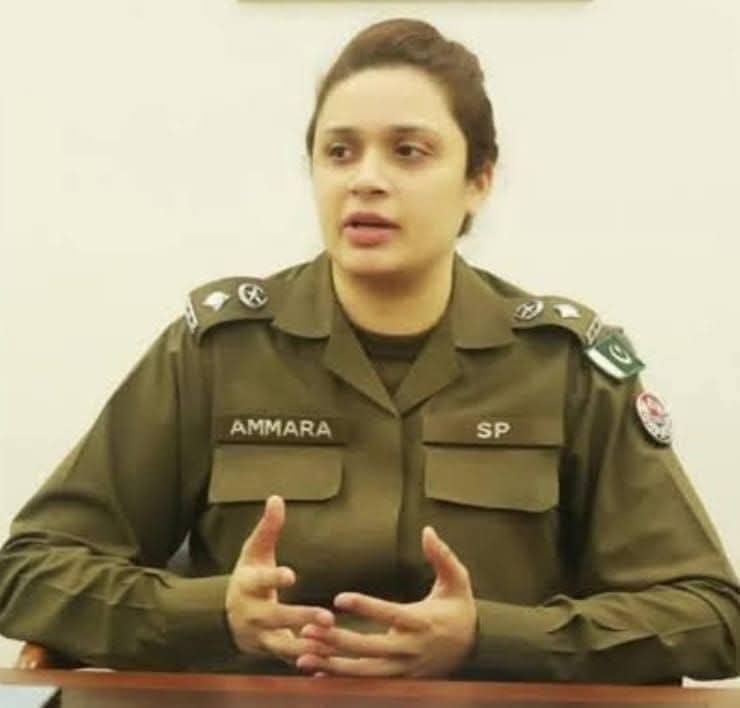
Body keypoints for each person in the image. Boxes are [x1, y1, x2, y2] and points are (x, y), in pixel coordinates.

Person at [0, 18, 738, 683]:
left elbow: (709, 615)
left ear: (478, 181)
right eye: (339, 152)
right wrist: (211, 615)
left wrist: (491, 638)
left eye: (409, 152)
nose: (366, 180)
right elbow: (30, 572)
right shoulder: (219, 352)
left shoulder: (563, 366)